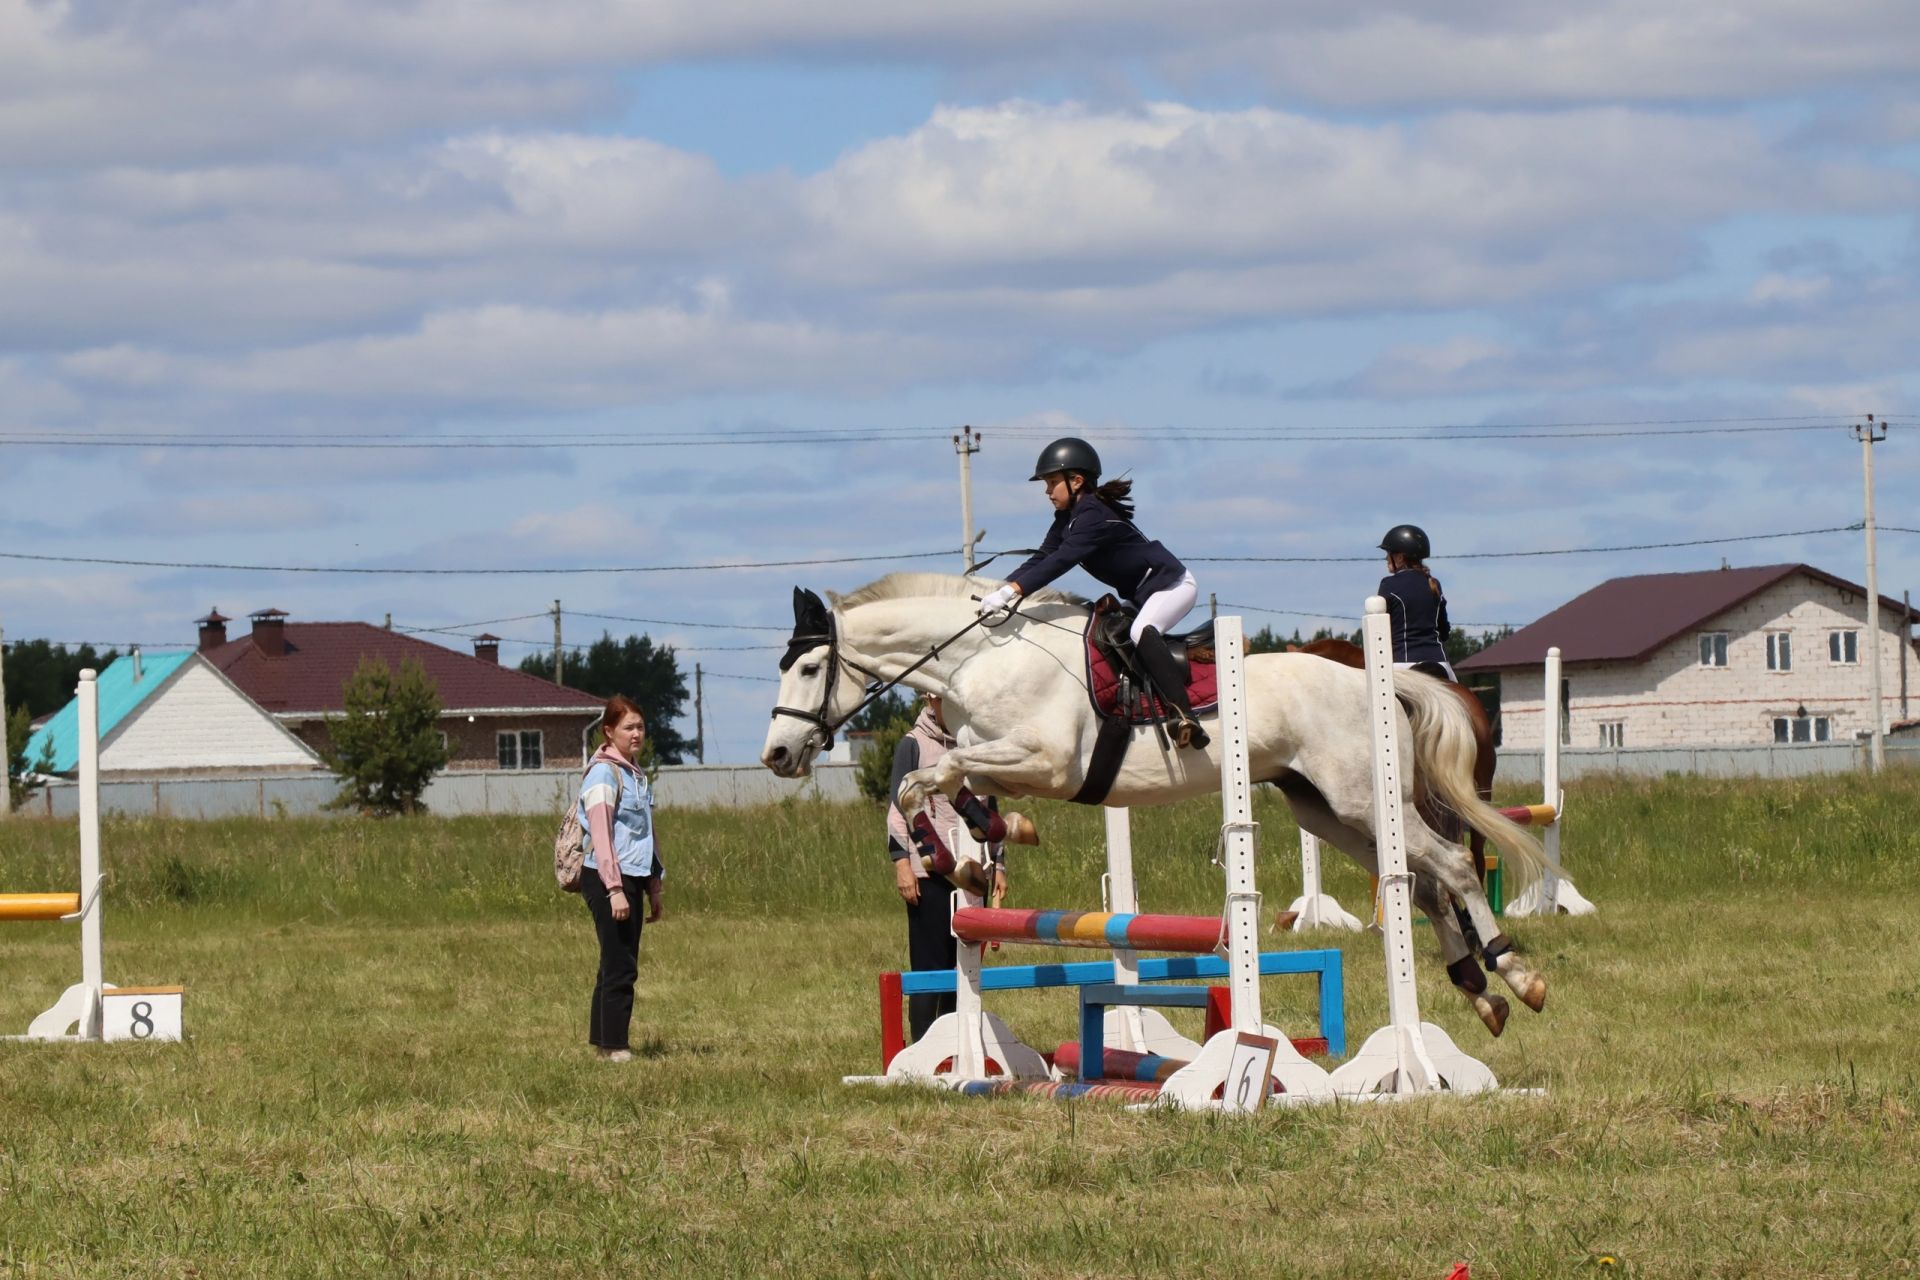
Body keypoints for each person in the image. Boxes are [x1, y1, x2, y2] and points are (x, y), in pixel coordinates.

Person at [977, 436, 1210, 749]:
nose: (1047, 492)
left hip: (1173, 585)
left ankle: (1185, 716)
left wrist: (1012, 592)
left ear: (1076, 481)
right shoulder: (1069, 518)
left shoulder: (1093, 517)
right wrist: (1000, 589)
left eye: (1051, 483)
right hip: (1143, 594)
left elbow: (1061, 560)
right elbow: (1043, 555)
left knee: (1142, 630)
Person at [885, 694, 1009, 1043]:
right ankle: (924, 1045)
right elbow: (897, 809)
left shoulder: (976, 746)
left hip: (973, 874)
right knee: (930, 967)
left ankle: (959, 1042)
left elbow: (989, 808)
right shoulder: (913, 744)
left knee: (966, 967)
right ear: (929, 699)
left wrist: (999, 864)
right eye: (941, 699)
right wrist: (902, 864)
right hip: (928, 872)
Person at [579, 694, 665, 1062]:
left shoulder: (635, 774)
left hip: (632, 877)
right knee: (621, 964)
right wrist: (614, 889)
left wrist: (654, 885)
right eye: (628, 727)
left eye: (640, 726)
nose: (636, 733)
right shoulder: (604, 773)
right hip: (606, 876)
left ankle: (603, 1042)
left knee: (614, 960)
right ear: (609, 731)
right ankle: (616, 1047)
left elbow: (646, 833)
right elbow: (601, 834)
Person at [1378, 524, 1457, 683]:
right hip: (1440, 662)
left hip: (1402, 665)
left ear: (1399, 557)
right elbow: (1444, 631)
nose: (1386, 558)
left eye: (1389, 554)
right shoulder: (1434, 583)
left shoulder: (1388, 585)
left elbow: (1380, 631)